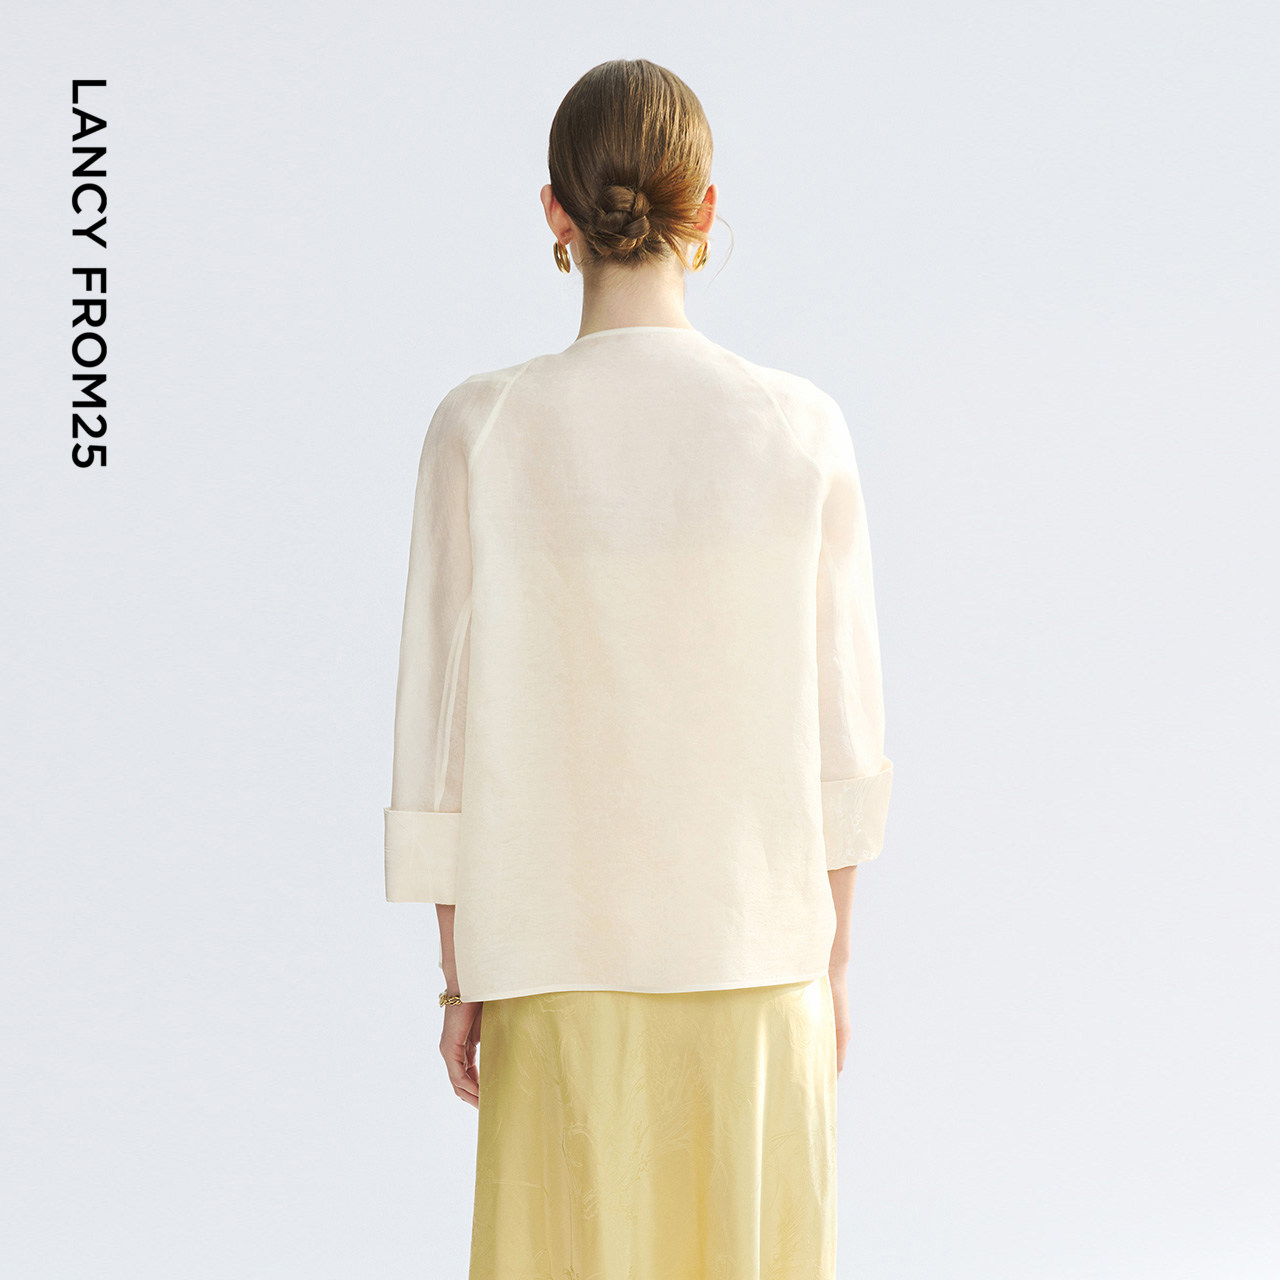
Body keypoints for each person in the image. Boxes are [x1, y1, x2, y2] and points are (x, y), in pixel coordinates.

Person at [383, 57, 895, 1280]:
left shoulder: (479, 428)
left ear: (553, 212)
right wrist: (829, 965)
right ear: (704, 208)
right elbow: (842, 734)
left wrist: (460, 975)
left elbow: (439, 736)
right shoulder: (798, 428)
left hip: (552, 968)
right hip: (757, 962)